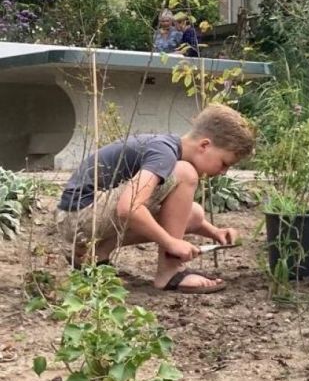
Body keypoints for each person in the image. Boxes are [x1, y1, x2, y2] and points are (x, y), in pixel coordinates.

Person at [57, 104, 257, 293]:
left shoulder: (166, 147)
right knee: (185, 173)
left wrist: (214, 232)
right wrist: (171, 243)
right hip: (80, 217)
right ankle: (170, 272)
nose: (223, 172)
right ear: (205, 145)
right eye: (224, 163)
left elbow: (175, 215)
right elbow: (128, 208)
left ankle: (94, 255)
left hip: (81, 221)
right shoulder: (164, 153)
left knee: (194, 214)